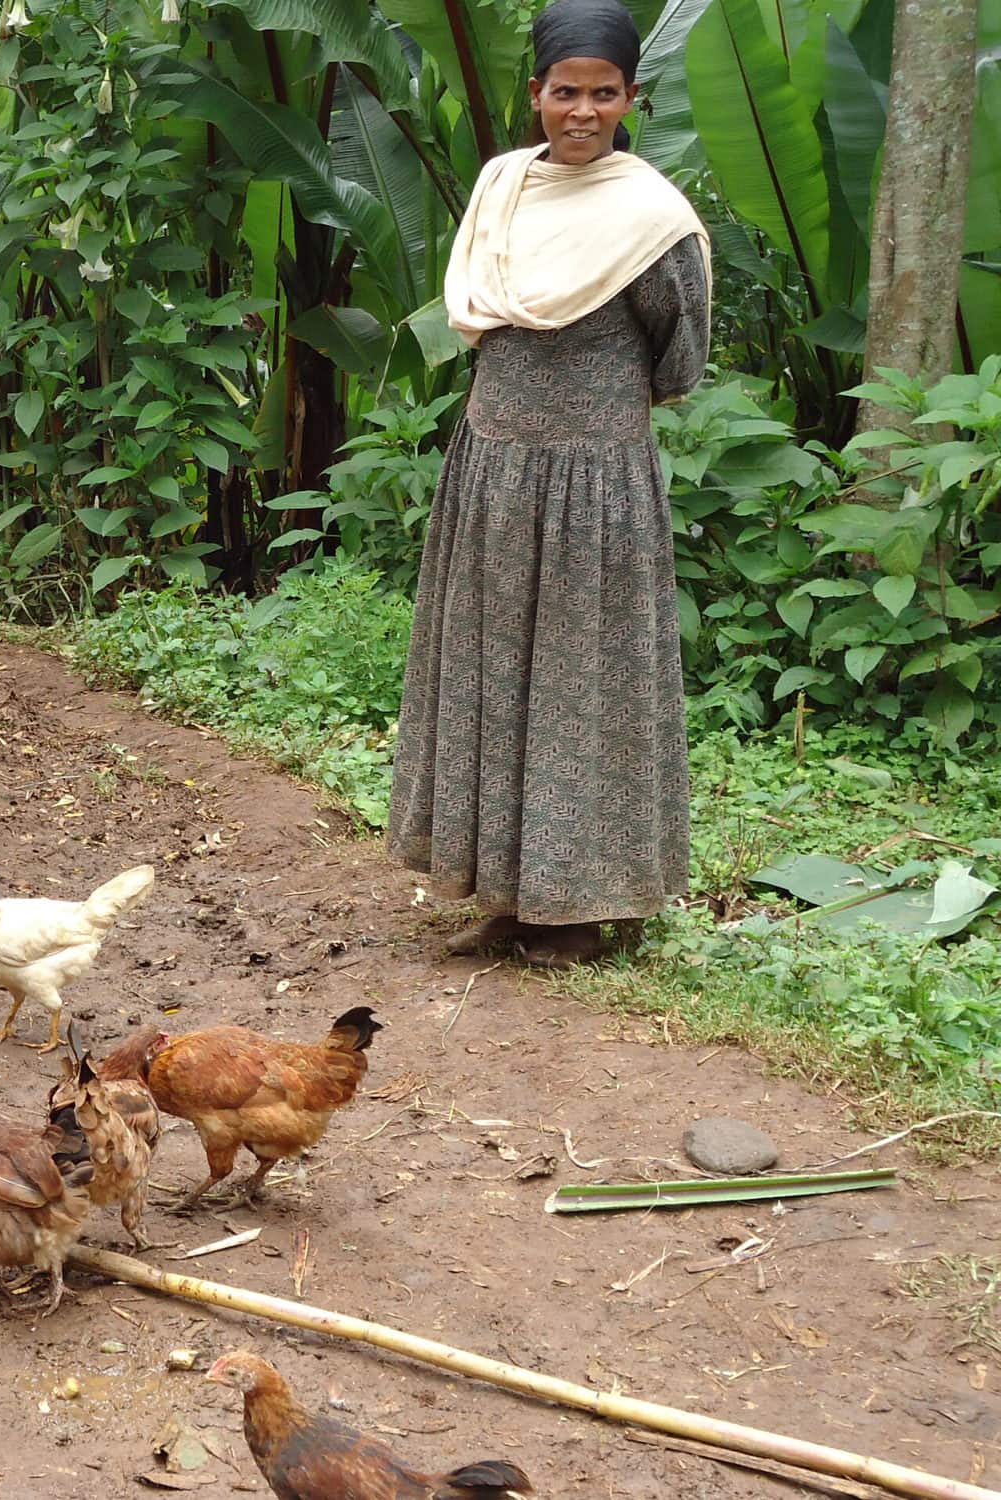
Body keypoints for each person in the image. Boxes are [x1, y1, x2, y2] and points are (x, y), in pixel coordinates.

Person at [388, 0, 712, 969]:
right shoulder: (499, 192)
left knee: (581, 681)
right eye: (563, 91)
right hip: (491, 468)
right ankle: (506, 893)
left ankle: (574, 910)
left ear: (629, 99)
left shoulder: (650, 220)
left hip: (593, 490)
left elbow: (678, 357)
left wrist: (588, 419)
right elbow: (478, 319)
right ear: (533, 93)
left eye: (601, 93)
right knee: (492, 673)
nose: (581, 110)